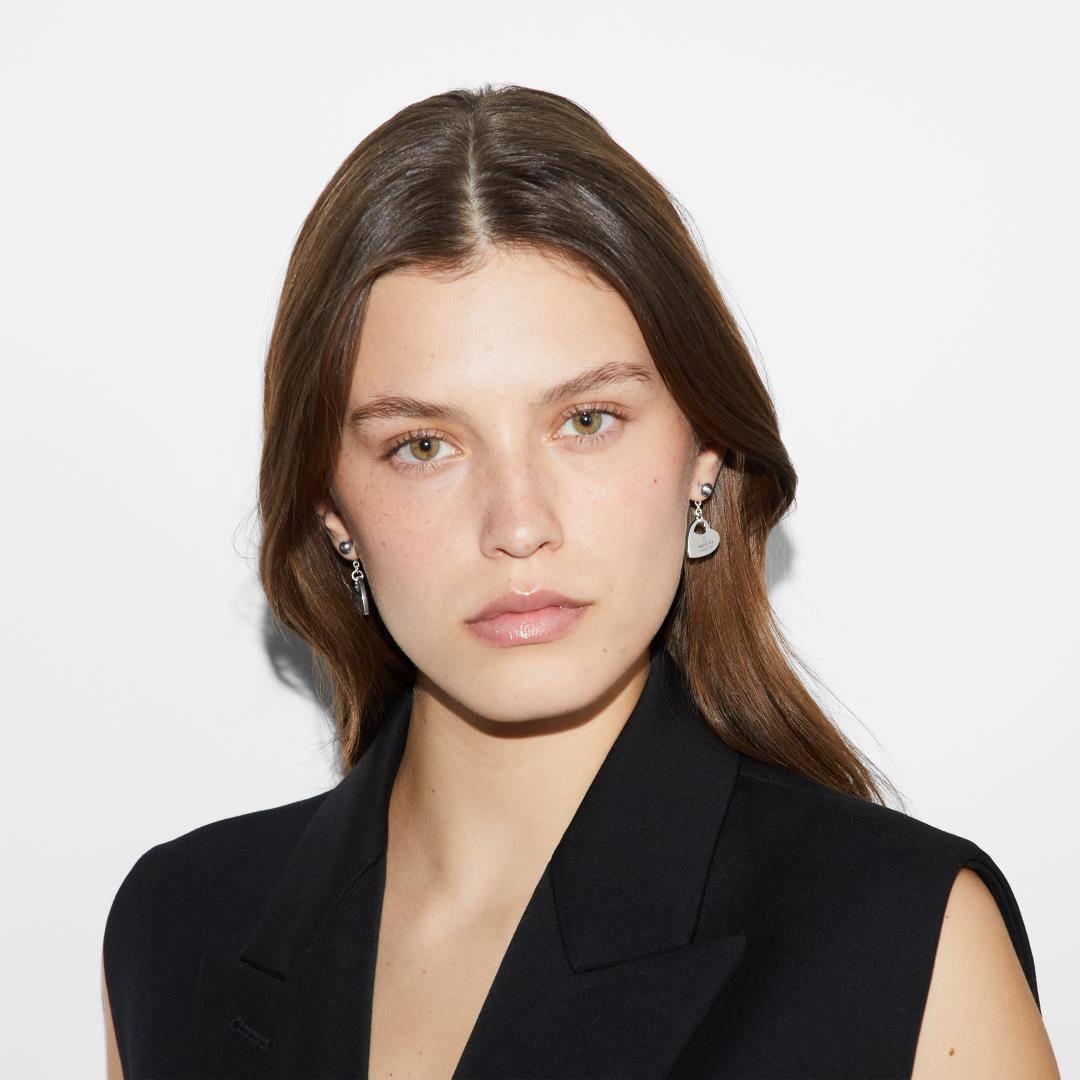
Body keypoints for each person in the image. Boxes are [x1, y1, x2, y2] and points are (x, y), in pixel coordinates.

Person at [102, 83, 1059, 1079]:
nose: (518, 525)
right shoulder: (178, 931)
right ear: (330, 508)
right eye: (424, 445)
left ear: (703, 455)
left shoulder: (904, 941)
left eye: (587, 421)